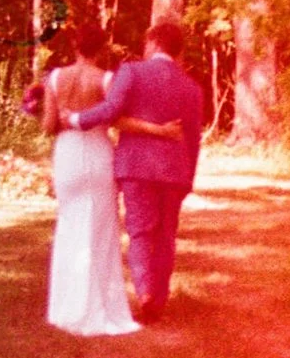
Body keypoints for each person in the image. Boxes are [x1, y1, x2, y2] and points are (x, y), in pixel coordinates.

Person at [40, 24, 181, 337]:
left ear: (75, 46)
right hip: (98, 154)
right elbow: (119, 119)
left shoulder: (54, 78)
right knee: (101, 230)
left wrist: (49, 113)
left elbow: (49, 125)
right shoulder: (106, 79)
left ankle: (65, 308)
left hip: (68, 155)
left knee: (70, 223)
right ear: (102, 49)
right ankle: (99, 306)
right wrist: (160, 131)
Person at [64, 19, 205, 323]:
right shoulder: (192, 88)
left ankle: (145, 293)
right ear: (176, 50)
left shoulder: (131, 71)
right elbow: (194, 138)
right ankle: (160, 294)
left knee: (141, 232)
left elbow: (111, 110)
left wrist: (75, 119)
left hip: (136, 167)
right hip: (174, 171)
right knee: (167, 234)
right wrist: (188, 177)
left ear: (153, 43)